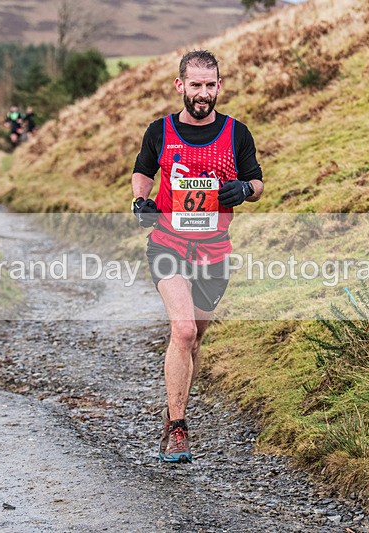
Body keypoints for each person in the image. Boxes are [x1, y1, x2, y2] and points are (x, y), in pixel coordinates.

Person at [130, 50, 264, 463]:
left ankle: (175, 402)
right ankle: (178, 426)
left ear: (219, 86)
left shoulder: (236, 133)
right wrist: (141, 202)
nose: (202, 93)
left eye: (210, 85)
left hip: (215, 254)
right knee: (184, 330)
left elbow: (257, 183)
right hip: (168, 245)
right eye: (195, 85)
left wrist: (243, 190)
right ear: (180, 86)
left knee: (195, 338)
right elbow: (142, 173)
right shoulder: (161, 131)